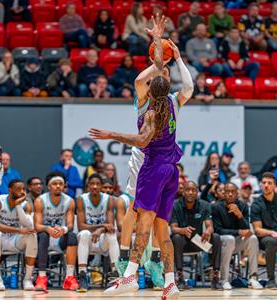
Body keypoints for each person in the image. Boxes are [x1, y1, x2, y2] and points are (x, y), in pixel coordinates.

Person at [92, 20, 194, 298]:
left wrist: (111, 134)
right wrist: (171, 53)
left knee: (143, 224)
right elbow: (189, 86)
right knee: (162, 228)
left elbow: (141, 140)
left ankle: (130, 275)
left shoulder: (147, 108)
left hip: (153, 168)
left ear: (150, 88)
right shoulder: (173, 101)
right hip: (173, 171)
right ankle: (171, 281)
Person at [170, 181, 222, 290]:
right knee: (176, 237)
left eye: (193, 190)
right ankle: (180, 278)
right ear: (183, 192)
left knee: (216, 237)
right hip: (181, 242)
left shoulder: (204, 205)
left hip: (197, 241)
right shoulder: (175, 205)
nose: (190, 192)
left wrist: (208, 231)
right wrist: (183, 230)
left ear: (197, 192)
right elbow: (173, 228)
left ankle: (216, 277)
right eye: (187, 190)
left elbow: (210, 226)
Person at [0, 179, 36, 291]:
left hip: (15, 240)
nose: (22, 192)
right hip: (0, 239)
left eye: (23, 189)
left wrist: (18, 205)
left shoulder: (26, 204)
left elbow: (28, 225)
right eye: (18, 189)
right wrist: (18, 230)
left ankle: (27, 279)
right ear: (10, 190)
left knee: (31, 235)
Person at [34, 172, 79, 291]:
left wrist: (63, 229)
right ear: (49, 186)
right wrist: (47, 228)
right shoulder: (40, 200)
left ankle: (69, 277)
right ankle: (41, 278)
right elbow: (37, 226)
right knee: (43, 235)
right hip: (45, 238)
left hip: (61, 237)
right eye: (54, 184)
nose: (58, 186)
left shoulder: (69, 201)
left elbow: (70, 225)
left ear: (64, 186)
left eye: (61, 184)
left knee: (73, 236)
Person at [213, 182, 262, 290]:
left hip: (237, 242)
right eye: (227, 192)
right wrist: (238, 232)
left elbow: (246, 229)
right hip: (222, 243)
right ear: (224, 193)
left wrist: (239, 215)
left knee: (253, 239)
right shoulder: (216, 207)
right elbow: (217, 230)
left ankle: (253, 277)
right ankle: (224, 280)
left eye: (233, 192)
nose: (230, 194)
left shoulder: (243, 206)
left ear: (237, 193)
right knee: (230, 239)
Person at [76, 174, 120, 292]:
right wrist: (100, 226)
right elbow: (81, 226)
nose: (95, 186)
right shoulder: (81, 199)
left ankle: (115, 275)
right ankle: (83, 276)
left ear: (101, 186)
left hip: (102, 241)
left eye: (98, 184)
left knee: (111, 234)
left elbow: (110, 226)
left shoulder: (108, 199)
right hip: (87, 241)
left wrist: (100, 230)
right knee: (84, 233)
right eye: (92, 184)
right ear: (88, 186)